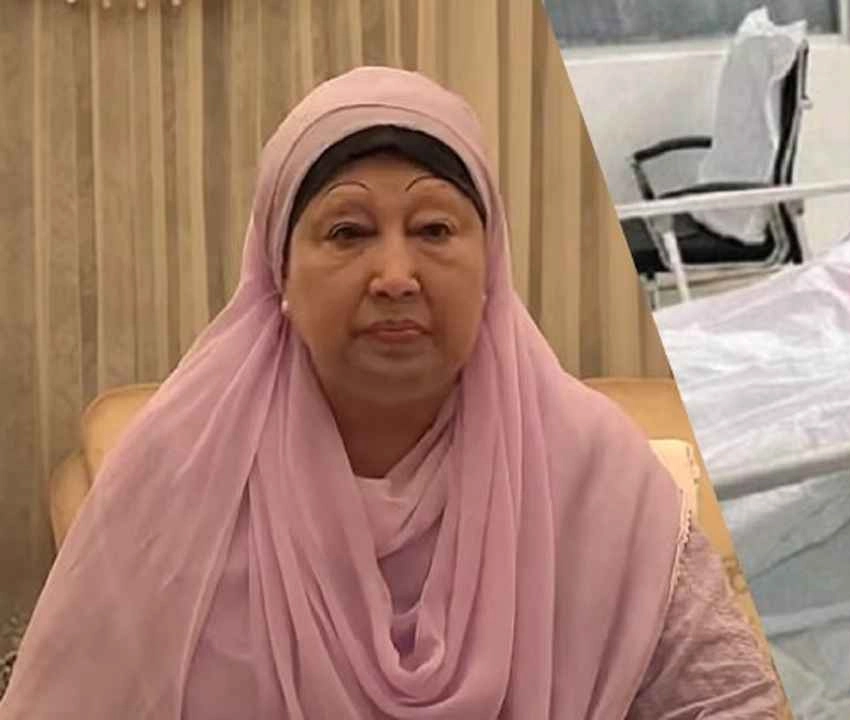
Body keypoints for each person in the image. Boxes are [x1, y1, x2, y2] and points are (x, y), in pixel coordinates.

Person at [0, 67, 784, 719]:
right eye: (347, 232)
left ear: (490, 264)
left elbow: (728, 703)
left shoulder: (592, 472)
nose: (396, 276)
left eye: (435, 230)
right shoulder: (177, 476)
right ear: (278, 270)